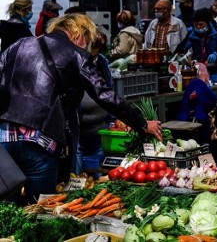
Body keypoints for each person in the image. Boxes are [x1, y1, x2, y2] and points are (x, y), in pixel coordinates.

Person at [0, 13, 163, 203]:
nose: (86, 44)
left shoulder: (17, 46)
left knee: (7, 209)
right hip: (40, 138)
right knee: (39, 209)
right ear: (79, 32)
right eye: (87, 39)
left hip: (5, 136)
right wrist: (142, 124)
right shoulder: (76, 54)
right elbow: (105, 95)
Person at [76, 30, 114, 176]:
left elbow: (108, 89)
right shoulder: (76, 59)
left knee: (97, 164)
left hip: (98, 125)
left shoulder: (102, 61)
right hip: (79, 126)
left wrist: (112, 119)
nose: (94, 57)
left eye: (97, 53)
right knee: (77, 170)